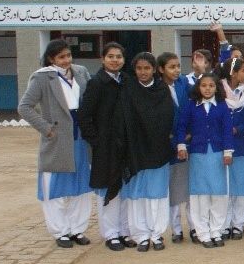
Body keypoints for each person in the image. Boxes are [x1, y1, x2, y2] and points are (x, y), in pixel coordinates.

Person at [18, 39, 94, 249]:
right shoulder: (43, 77)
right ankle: (60, 232)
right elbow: (24, 107)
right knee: (55, 188)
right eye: (61, 57)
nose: (66, 60)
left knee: (81, 186)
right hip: (58, 139)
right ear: (51, 58)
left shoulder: (81, 72)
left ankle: (78, 229)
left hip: (81, 138)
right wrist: (47, 128)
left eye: (68, 56)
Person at [78, 42, 135, 251]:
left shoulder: (127, 81)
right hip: (106, 147)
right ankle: (110, 234)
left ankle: (123, 231)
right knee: (107, 191)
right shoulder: (97, 83)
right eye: (110, 56)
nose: (115, 60)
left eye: (118, 57)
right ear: (103, 59)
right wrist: (97, 142)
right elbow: (84, 116)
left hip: (125, 146)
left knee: (125, 190)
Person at [117, 52, 176, 252]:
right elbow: (124, 120)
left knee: (157, 195)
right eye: (139, 69)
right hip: (135, 151)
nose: (143, 72)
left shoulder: (162, 90)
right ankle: (141, 236)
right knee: (137, 196)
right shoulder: (128, 89)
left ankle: (157, 234)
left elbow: (168, 118)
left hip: (158, 150)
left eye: (147, 68)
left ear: (154, 69)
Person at [175, 74, 235, 248]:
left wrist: (228, 152)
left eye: (211, 85)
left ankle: (216, 230)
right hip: (198, 154)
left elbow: (227, 130)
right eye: (204, 86)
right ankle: (202, 233)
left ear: (217, 87)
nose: (207, 89)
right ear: (198, 88)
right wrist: (181, 146)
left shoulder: (222, 106)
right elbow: (181, 126)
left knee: (218, 194)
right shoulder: (191, 106)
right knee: (200, 195)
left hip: (218, 155)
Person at [218, 58, 244, 240]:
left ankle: (238, 224)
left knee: (241, 184)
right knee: (224, 185)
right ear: (232, 73)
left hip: (241, 143)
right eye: (242, 70)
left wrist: (238, 129)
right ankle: (224, 224)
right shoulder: (218, 90)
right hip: (221, 143)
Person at [157, 52, 193, 244]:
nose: (177, 70)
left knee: (188, 188)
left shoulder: (183, 85)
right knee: (172, 190)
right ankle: (176, 229)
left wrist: (189, 133)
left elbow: (194, 105)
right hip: (167, 144)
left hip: (187, 140)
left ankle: (194, 227)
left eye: (178, 66)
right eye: (172, 67)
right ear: (161, 69)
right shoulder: (156, 88)